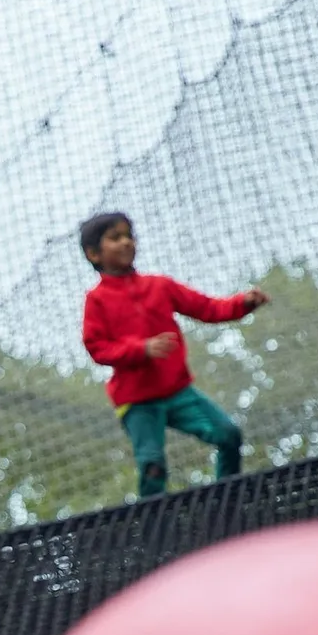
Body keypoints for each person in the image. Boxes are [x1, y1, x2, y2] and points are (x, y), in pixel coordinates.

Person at [79, 212, 269, 498]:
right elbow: (97, 348)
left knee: (228, 435)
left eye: (129, 235)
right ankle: (155, 525)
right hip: (137, 401)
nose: (127, 242)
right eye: (115, 238)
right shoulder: (97, 300)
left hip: (178, 392)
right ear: (94, 253)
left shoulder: (160, 286)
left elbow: (207, 308)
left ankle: (227, 499)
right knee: (152, 464)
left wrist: (242, 304)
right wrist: (141, 349)